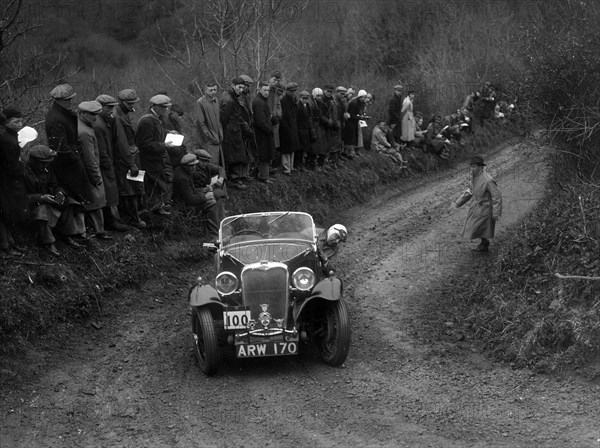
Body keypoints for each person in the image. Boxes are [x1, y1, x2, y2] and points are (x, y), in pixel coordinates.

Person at [23, 145, 88, 255]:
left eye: (46, 163)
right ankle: (49, 242)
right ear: (34, 161)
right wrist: (41, 198)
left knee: (69, 203)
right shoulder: (24, 173)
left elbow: (56, 184)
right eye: (42, 163)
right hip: (33, 206)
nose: (45, 166)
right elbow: (20, 198)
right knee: (42, 212)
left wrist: (59, 194)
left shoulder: (47, 170)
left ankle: (67, 234)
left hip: (48, 200)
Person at [45, 84, 93, 206]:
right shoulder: (56, 119)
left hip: (72, 162)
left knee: (80, 199)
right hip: (67, 166)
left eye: (71, 99)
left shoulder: (64, 115)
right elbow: (61, 147)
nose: (70, 101)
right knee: (74, 201)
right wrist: (76, 160)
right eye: (67, 100)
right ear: (58, 100)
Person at [450, 155, 502, 253]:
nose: (472, 169)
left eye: (474, 167)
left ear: (480, 167)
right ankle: (483, 244)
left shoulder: (488, 180)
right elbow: (469, 191)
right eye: (471, 167)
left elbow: (497, 196)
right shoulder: (474, 178)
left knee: (476, 227)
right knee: (477, 227)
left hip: (485, 208)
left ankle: (480, 245)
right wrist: (457, 203)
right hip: (476, 207)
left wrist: (496, 212)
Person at [136, 94, 176, 215]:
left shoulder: (156, 117)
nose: (166, 110)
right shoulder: (147, 120)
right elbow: (145, 144)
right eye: (164, 107)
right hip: (149, 160)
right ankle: (153, 210)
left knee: (158, 183)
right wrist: (164, 145)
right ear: (155, 106)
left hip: (156, 158)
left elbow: (157, 133)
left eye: (167, 107)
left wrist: (168, 132)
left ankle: (158, 207)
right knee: (153, 184)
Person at [94, 94, 129, 232]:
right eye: (108, 107)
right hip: (104, 163)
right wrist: (108, 163)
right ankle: (109, 221)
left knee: (109, 193)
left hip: (108, 160)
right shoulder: (98, 124)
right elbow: (102, 149)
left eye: (112, 107)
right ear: (100, 107)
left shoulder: (106, 120)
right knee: (107, 193)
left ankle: (111, 219)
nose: (111, 110)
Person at [78, 101, 112, 240]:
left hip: (86, 171)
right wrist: (96, 177)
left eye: (96, 114)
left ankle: (94, 229)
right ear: (82, 113)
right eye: (91, 115)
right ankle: (98, 231)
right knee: (95, 201)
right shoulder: (84, 132)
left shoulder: (84, 126)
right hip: (89, 172)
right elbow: (89, 158)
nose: (95, 117)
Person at [113, 88, 146, 229]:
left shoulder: (124, 114)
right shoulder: (118, 117)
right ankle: (132, 219)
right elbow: (122, 143)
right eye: (130, 103)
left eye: (134, 103)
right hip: (125, 161)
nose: (133, 106)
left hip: (130, 157)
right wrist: (131, 163)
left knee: (135, 188)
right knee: (129, 190)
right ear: (121, 102)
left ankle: (134, 216)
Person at [0, 109, 29, 257]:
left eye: (21, 121)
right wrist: (21, 166)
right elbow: (12, 166)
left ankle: (10, 242)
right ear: (6, 123)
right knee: (6, 212)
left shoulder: (10, 137)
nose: (20, 124)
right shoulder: (7, 140)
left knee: (8, 213)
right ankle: (5, 245)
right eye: (16, 122)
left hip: (9, 180)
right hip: (7, 182)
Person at [173, 153, 219, 242]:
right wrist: (205, 197)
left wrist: (204, 190)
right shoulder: (182, 178)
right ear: (186, 166)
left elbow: (192, 190)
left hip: (185, 199)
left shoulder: (184, 172)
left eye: (194, 165)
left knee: (212, 197)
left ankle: (214, 232)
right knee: (211, 202)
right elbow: (190, 199)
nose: (194, 168)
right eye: (192, 166)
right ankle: (214, 236)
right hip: (182, 204)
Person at [221, 77, 252, 190]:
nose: (241, 90)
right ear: (233, 85)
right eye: (239, 87)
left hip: (234, 130)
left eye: (243, 88)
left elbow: (236, 116)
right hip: (230, 132)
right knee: (233, 156)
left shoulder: (232, 97)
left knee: (236, 155)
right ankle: (233, 179)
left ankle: (234, 178)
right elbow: (224, 118)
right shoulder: (229, 99)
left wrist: (245, 126)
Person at [194, 81, 225, 171]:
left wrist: (221, 133)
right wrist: (209, 136)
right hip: (208, 140)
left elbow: (218, 120)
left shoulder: (216, 101)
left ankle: (219, 182)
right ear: (205, 90)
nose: (213, 92)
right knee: (210, 162)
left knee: (219, 162)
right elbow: (201, 123)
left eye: (215, 89)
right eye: (211, 90)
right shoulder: (200, 103)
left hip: (218, 137)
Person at [192, 149, 226, 223]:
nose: (205, 163)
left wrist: (221, 179)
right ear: (197, 159)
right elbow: (190, 190)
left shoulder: (207, 166)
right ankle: (216, 221)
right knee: (216, 196)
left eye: (206, 161)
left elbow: (221, 169)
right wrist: (204, 189)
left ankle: (222, 219)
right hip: (197, 195)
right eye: (202, 161)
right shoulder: (192, 169)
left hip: (207, 191)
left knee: (219, 193)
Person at [252, 81, 276, 183]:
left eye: (268, 90)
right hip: (261, 134)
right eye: (264, 90)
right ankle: (263, 177)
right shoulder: (259, 102)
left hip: (265, 132)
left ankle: (265, 175)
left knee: (266, 155)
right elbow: (260, 122)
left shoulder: (263, 101)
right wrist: (269, 129)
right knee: (264, 155)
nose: (267, 92)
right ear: (259, 90)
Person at [279, 82, 300, 175]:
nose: (293, 93)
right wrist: (286, 128)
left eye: (294, 91)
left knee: (292, 148)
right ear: (287, 91)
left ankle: (291, 166)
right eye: (291, 91)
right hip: (286, 128)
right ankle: (286, 168)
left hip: (293, 127)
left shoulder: (293, 101)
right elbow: (282, 117)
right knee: (286, 149)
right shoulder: (283, 101)